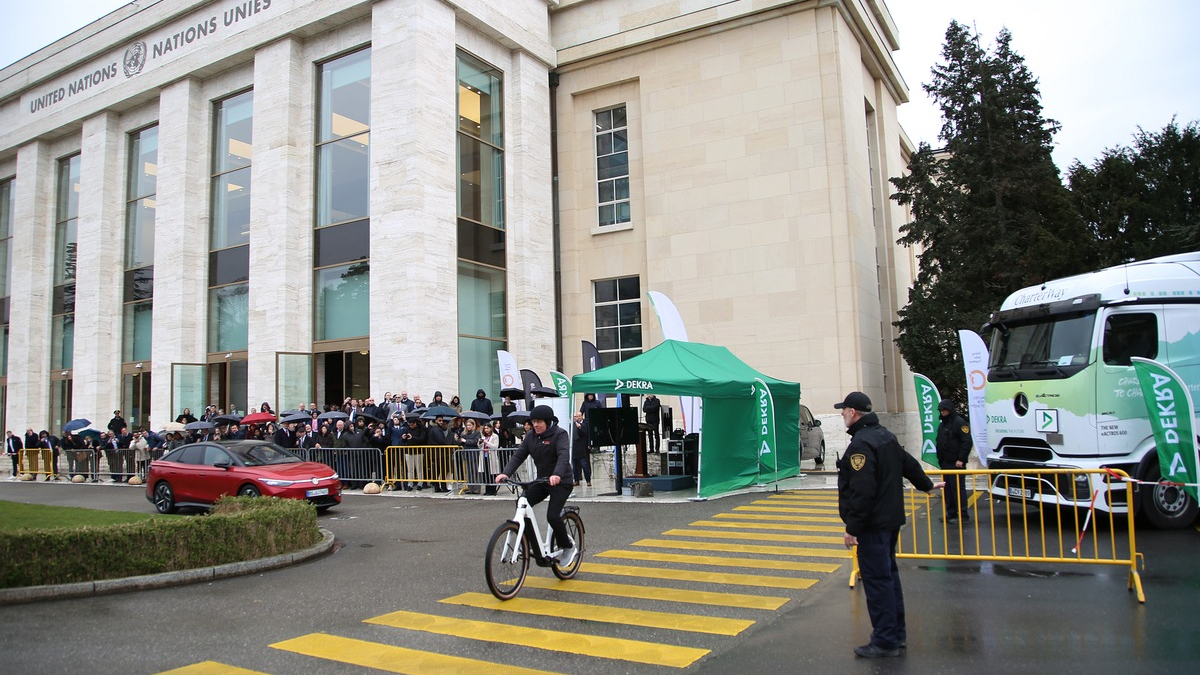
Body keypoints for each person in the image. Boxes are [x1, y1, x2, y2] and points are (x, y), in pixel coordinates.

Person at [835, 391, 943, 659]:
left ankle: (884, 641)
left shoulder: (862, 444)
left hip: (873, 525)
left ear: (854, 412)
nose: (841, 414)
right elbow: (909, 464)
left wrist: (853, 528)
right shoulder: (884, 435)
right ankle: (896, 634)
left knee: (878, 581)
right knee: (889, 578)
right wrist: (926, 485)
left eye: (844, 410)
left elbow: (863, 491)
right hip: (890, 520)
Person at [495, 405, 576, 565]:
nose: (536, 425)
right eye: (533, 422)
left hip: (561, 482)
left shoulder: (560, 435)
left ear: (548, 421)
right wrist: (506, 473)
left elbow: (563, 456)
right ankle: (532, 543)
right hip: (542, 481)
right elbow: (519, 456)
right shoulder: (531, 436)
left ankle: (567, 546)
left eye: (539, 422)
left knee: (552, 516)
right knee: (522, 504)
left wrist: (557, 474)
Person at [936, 400, 973, 524]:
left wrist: (961, 459)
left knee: (957, 489)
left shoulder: (959, 422)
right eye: (941, 410)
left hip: (956, 463)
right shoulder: (943, 424)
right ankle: (951, 513)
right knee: (948, 490)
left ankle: (962, 515)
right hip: (945, 463)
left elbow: (967, 442)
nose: (943, 412)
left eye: (945, 410)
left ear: (950, 410)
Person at [477, 421, 501, 495]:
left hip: (492, 456)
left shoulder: (495, 436)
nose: (486, 430)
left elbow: (495, 446)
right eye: (485, 428)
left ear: (491, 428)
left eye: (487, 428)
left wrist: (486, 442)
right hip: (484, 456)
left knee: (492, 474)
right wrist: (480, 443)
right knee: (485, 474)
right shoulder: (483, 436)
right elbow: (479, 446)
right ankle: (487, 490)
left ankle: (492, 490)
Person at [570, 412, 591, 486]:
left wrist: (579, 428)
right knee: (575, 466)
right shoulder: (571, 426)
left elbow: (585, 434)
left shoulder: (583, 425)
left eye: (578, 416)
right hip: (574, 448)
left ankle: (588, 480)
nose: (577, 418)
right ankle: (576, 480)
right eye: (575, 416)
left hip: (581, 448)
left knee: (584, 465)